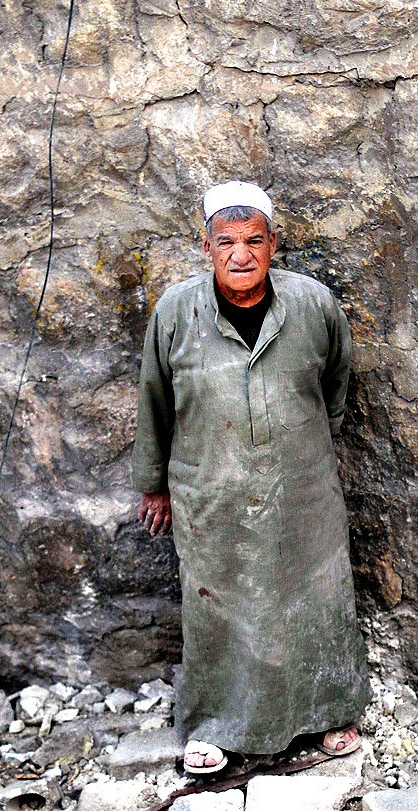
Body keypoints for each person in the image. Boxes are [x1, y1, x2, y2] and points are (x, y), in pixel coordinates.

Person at [132, 181, 370, 773]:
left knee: (315, 592)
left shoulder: (313, 305)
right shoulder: (174, 313)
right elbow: (154, 400)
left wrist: (308, 435)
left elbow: (337, 379)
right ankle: (214, 725)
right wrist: (154, 484)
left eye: (253, 241)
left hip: (303, 486)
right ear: (207, 247)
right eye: (227, 242)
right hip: (210, 488)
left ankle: (329, 712)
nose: (241, 255)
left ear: (272, 245)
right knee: (215, 603)